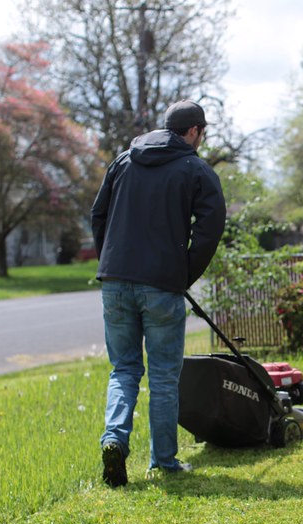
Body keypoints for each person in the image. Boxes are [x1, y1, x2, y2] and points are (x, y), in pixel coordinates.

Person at [90, 99, 226, 487]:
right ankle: (163, 461)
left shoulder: (123, 161)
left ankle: (114, 439)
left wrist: (112, 262)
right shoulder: (195, 169)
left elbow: (98, 215)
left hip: (114, 281)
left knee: (124, 369)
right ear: (195, 131)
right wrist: (184, 272)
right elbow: (211, 225)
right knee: (164, 375)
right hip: (162, 286)